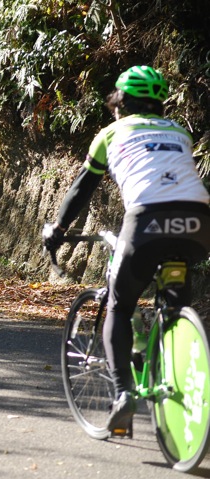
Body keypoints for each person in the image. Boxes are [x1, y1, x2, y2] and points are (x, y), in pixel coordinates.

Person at [42, 65, 210, 434]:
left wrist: (58, 229)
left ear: (118, 102)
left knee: (120, 305)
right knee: (174, 300)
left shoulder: (110, 133)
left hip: (146, 222)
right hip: (198, 223)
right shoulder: (179, 132)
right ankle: (174, 348)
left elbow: (82, 189)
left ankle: (122, 395)